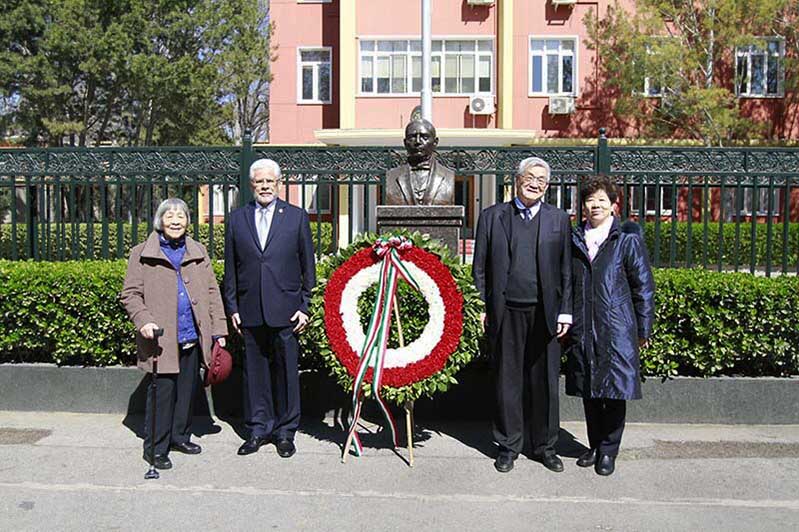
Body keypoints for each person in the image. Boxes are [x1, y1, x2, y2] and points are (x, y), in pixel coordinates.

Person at [472, 157, 572, 474]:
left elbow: (567, 270)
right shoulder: (492, 217)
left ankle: (545, 446)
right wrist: (481, 306)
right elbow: (479, 268)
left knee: (545, 383)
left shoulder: (559, 219)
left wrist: (566, 311)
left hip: (545, 313)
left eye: (541, 180)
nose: (535, 184)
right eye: (530, 177)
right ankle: (508, 445)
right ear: (517, 180)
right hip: (506, 312)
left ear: (547, 186)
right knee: (507, 381)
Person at [121, 198, 228, 470]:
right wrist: (143, 320)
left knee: (186, 391)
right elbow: (130, 294)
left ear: (188, 221)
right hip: (161, 339)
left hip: (192, 334)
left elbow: (212, 292)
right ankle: (156, 448)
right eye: (170, 216)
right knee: (163, 394)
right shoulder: (141, 253)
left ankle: (180, 436)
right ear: (160, 221)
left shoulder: (198, 251)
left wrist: (219, 329)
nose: (176, 221)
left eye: (181, 216)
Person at [223, 158, 316, 458]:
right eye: (259, 182)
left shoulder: (296, 217)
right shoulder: (237, 219)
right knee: (254, 373)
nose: (264, 186)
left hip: (287, 310)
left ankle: (285, 432)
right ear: (252, 185)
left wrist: (305, 305)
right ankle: (258, 428)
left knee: (287, 373)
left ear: (279, 184)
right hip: (249, 310)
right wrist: (232, 306)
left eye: (269, 181)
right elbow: (231, 268)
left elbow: (308, 267)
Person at [566, 175, 655, 476]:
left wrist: (643, 328)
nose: (595, 205)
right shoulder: (575, 238)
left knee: (614, 391)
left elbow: (643, 287)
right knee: (590, 390)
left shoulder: (626, 240)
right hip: (584, 326)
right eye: (590, 200)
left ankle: (609, 450)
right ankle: (594, 445)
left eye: (602, 200)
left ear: (614, 205)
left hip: (617, 328)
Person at [385, 118, 455, 206]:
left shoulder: (449, 176)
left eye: (424, 137)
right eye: (412, 137)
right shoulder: (392, 176)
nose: (418, 141)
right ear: (405, 143)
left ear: (435, 142)